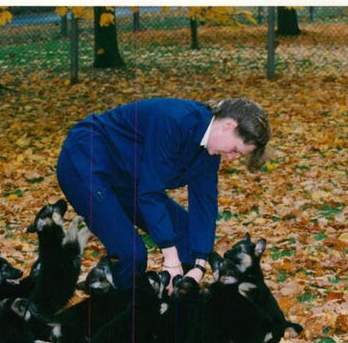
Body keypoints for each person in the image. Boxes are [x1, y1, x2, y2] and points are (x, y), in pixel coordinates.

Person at [55, 97, 270, 292]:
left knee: (187, 236)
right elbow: (151, 192)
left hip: (128, 176)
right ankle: (123, 319)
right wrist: (170, 258)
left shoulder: (209, 153)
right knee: (131, 253)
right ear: (228, 125)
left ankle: (176, 301)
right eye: (235, 150)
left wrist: (199, 265)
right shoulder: (174, 120)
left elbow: (204, 205)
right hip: (86, 162)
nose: (231, 158)